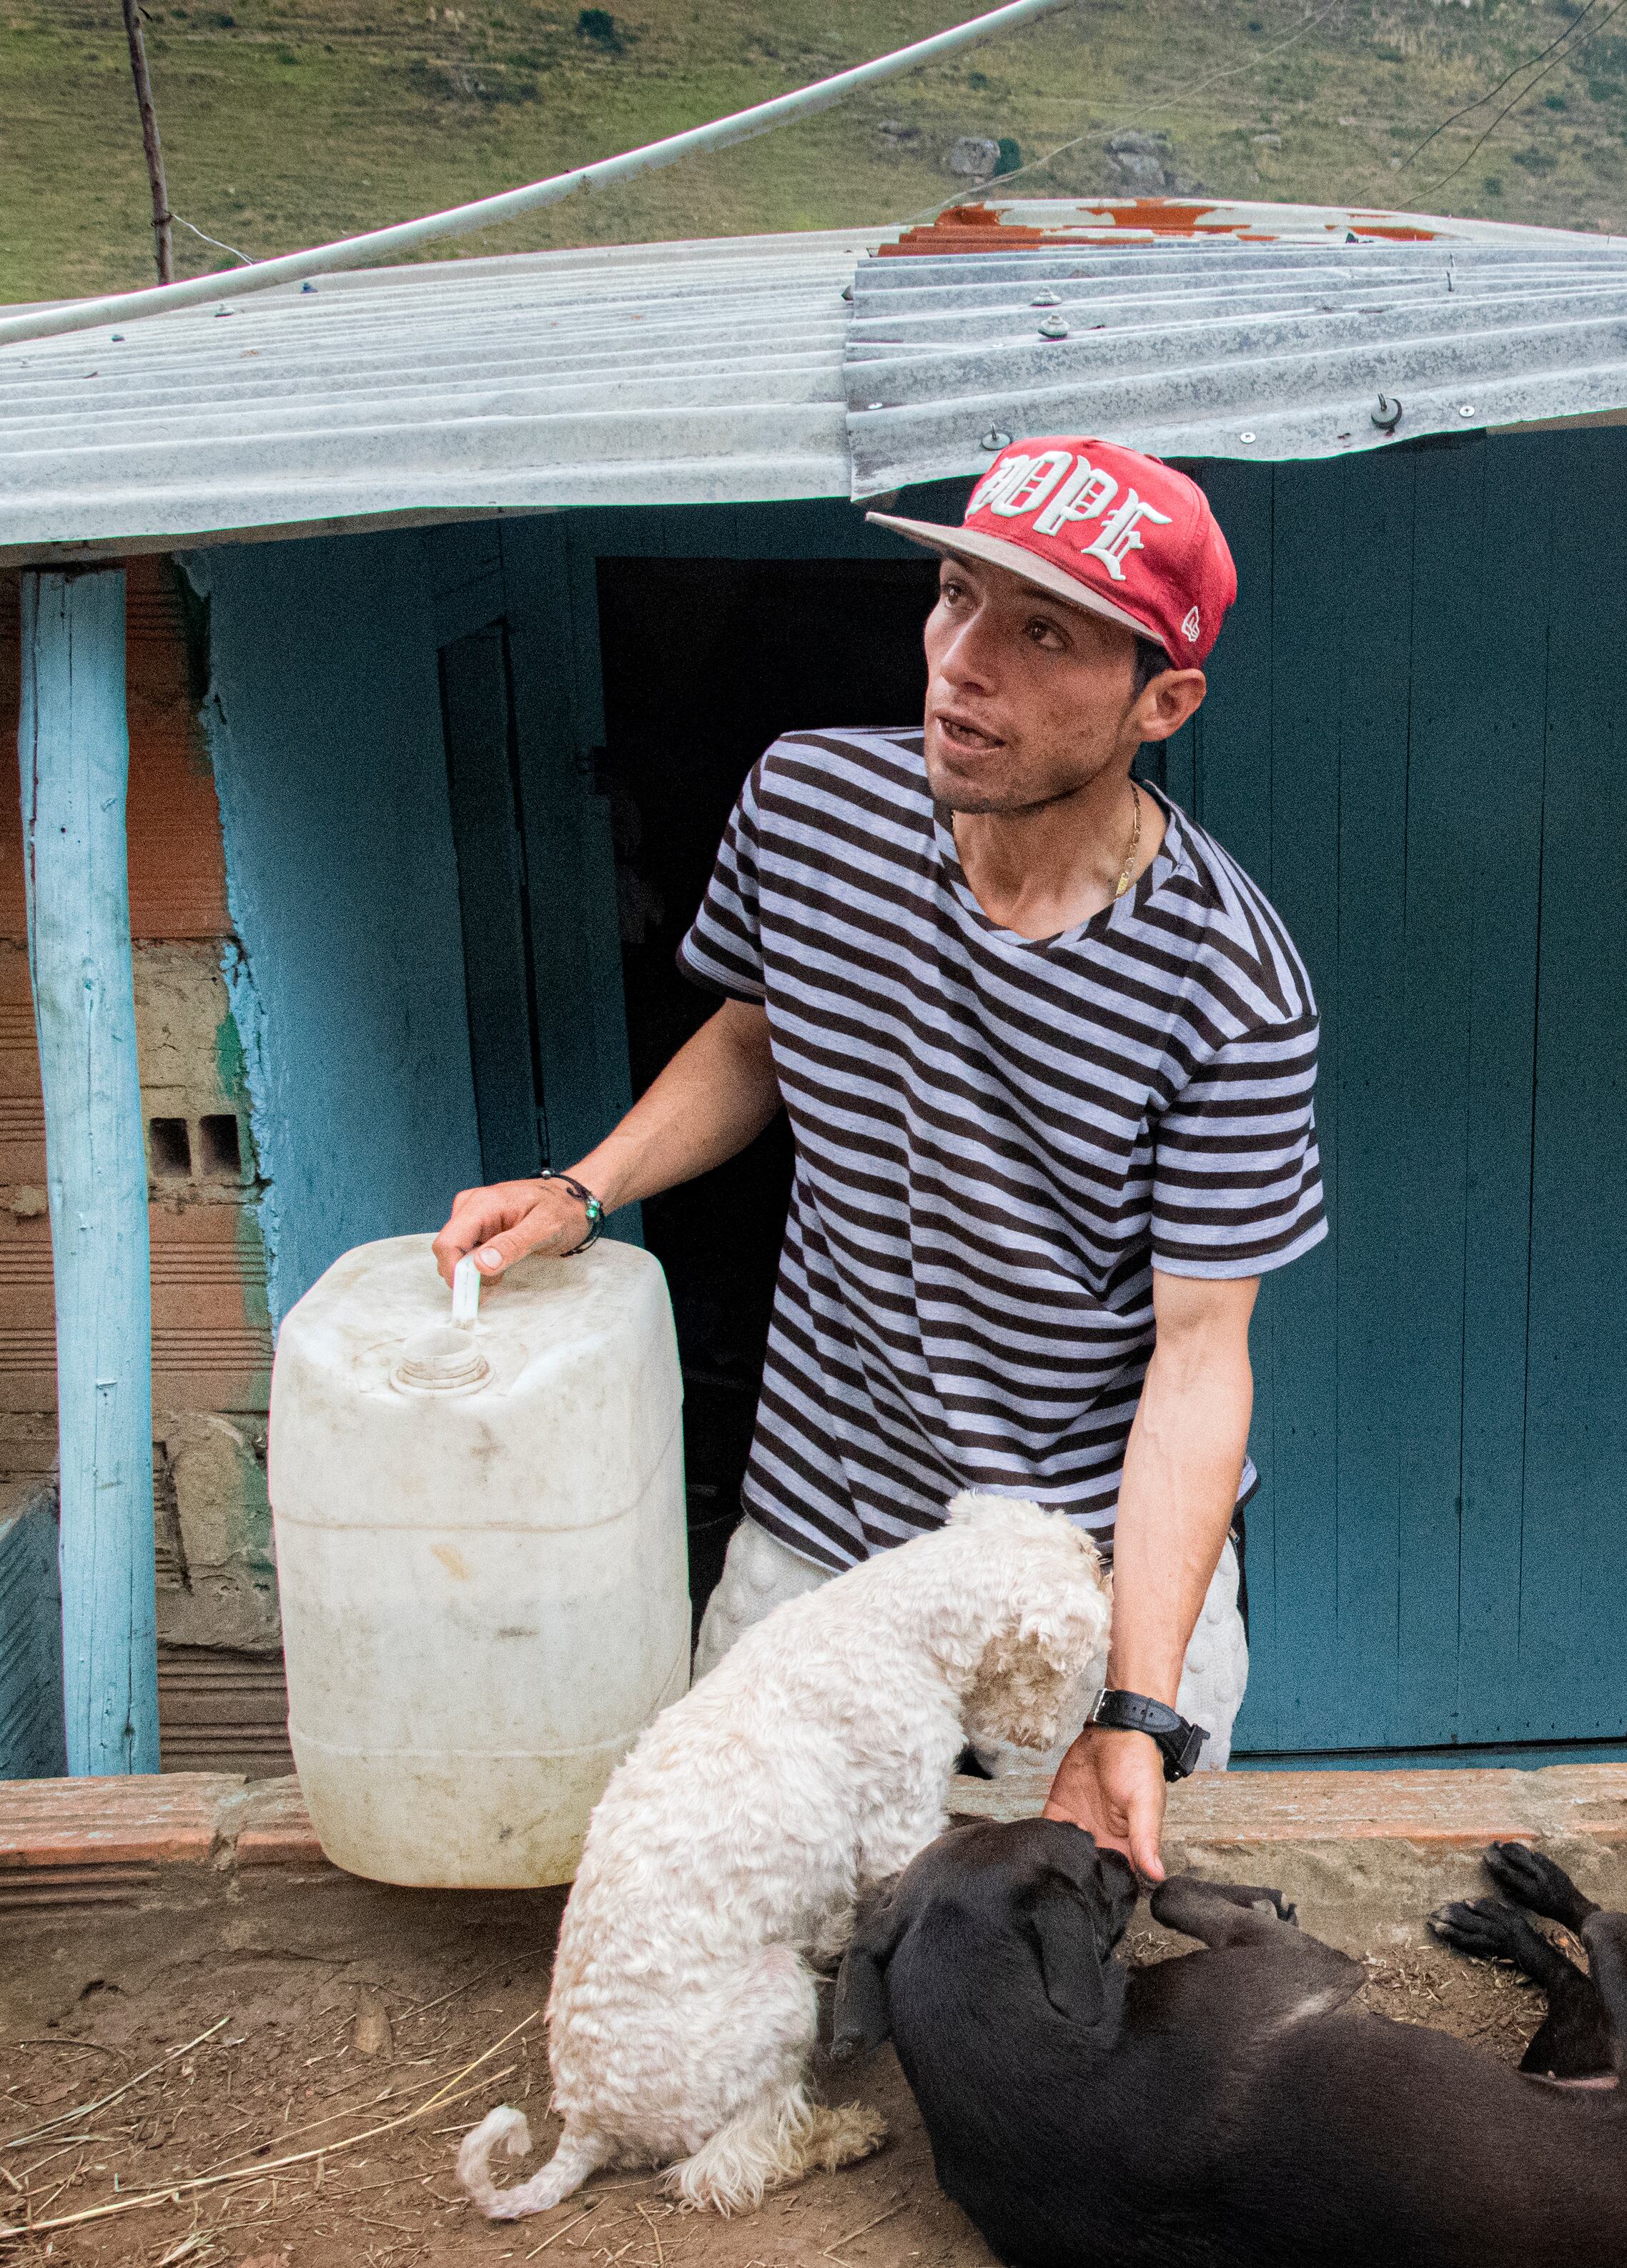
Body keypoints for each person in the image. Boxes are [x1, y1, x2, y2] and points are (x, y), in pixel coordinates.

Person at [434, 437, 1324, 1881]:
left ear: (1163, 700)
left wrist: (1135, 1702)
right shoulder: (809, 808)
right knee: (759, 1895)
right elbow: (757, 1033)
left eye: (1044, 634)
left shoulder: (1223, 981)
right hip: (818, 1525)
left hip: (1074, 1579)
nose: (964, 663)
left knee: (1073, 1973)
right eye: (958, 597)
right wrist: (585, 1185)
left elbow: (1200, 1356)